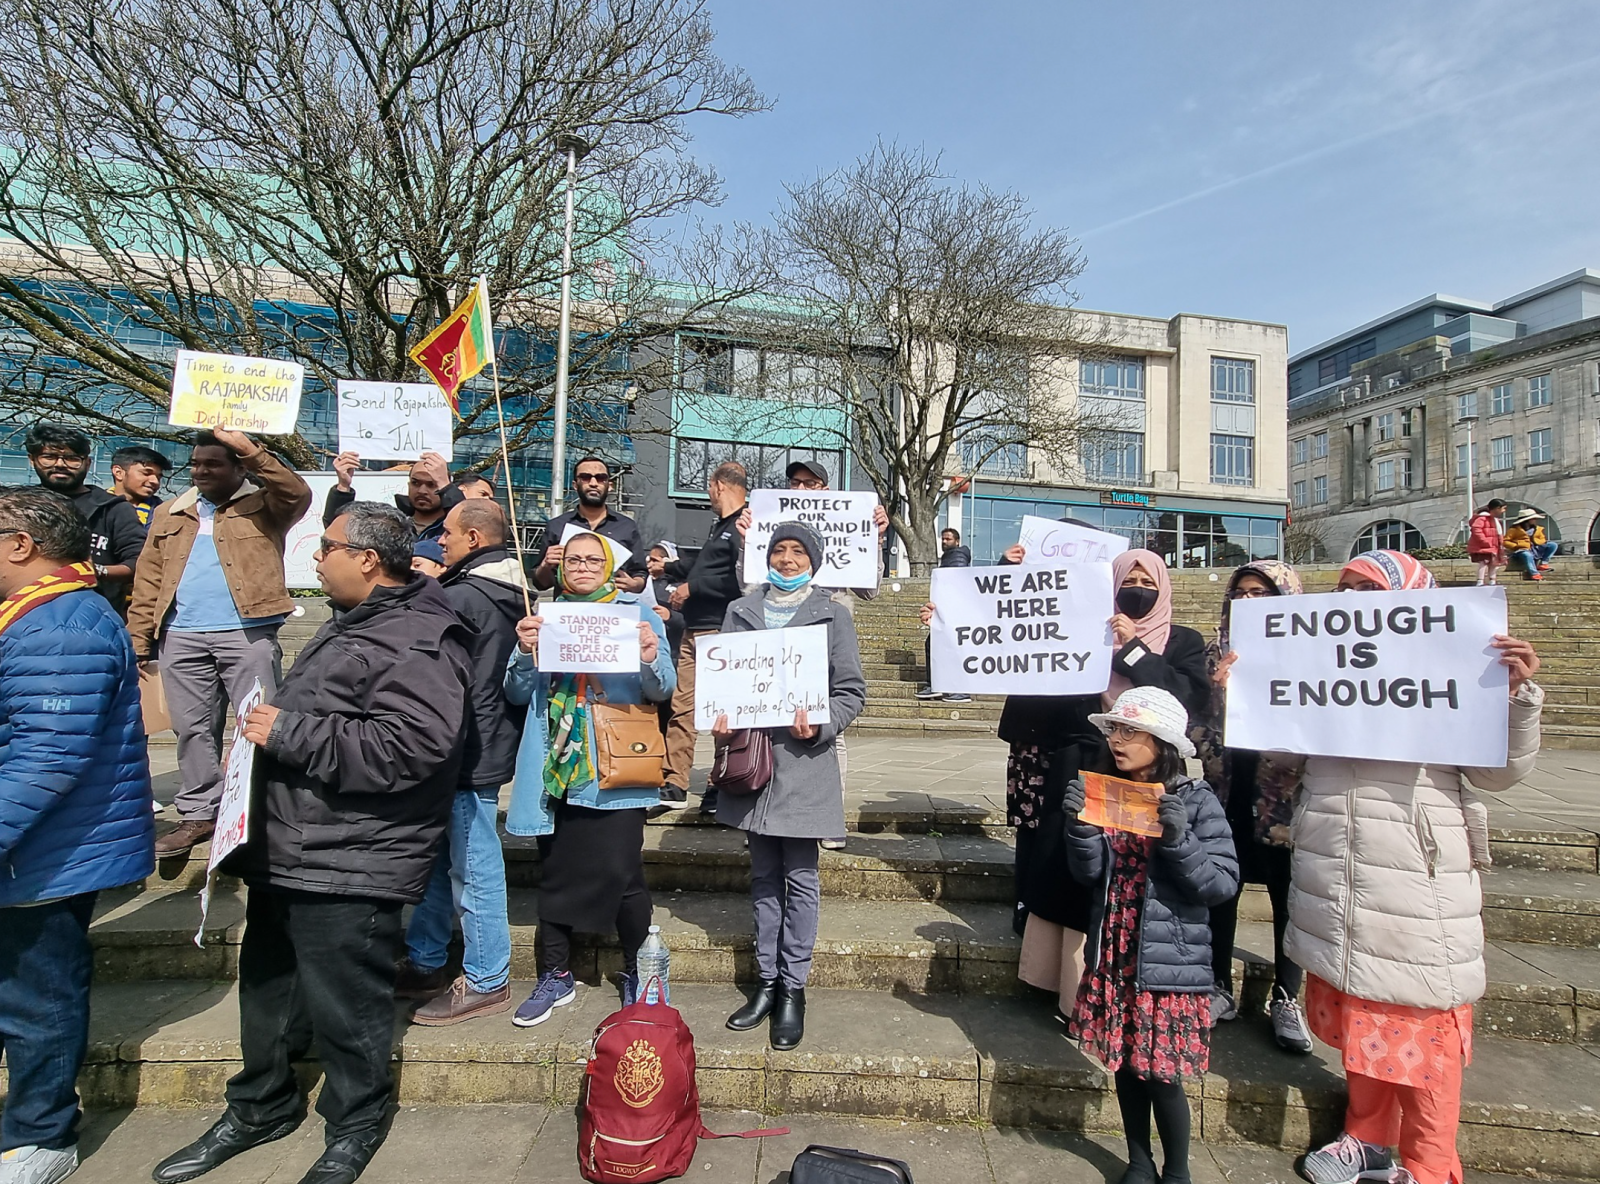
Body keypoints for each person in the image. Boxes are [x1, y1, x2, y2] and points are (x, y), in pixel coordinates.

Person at [151, 504, 472, 1184]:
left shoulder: (421, 638)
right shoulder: (356, 620)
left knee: (347, 1008)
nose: (315, 560)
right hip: (289, 846)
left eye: (325, 547)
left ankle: (356, 1122)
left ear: (366, 559)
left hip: (353, 860)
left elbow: (411, 748)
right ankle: (260, 1107)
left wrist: (287, 733)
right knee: (267, 996)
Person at [1288, 550, 1543, 1184]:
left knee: (1420, 1025)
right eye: (1344, 589)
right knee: (1362, 1010)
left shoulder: (1449, 669)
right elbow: (1281, 746)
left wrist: (1515, 699)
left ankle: (1431, 1166)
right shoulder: (1318, 664)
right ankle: (1365, 1136)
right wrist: (1249, 689)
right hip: (1337, 864)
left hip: (1415, 877)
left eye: (1367, 591)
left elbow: (1499, 771)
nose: (1351, 603)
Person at [924, 547, 1209, 1009]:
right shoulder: (1084, 626)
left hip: (1147, 773)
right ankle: (1057, 980)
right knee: (1068, 859)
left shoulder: (1184, 640)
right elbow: (1016, 641)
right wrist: (951, 619)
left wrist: (1132, 649)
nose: (1138, 590)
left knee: (1129, 867)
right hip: (1080, 755)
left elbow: (1185, 694)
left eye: (1149, 582)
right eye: (1129, 581)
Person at [0, 488, 154, 1184]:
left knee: (39, 999)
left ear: (21, 545)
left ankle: (43, 1136)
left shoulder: (64, 625)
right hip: (27, 847)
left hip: (45, 852)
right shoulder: (35, 615)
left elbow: (48, 755)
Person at [1062, 686, 1239, 1184]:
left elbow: (1222, 883)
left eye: (1130, 731)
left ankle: (1177, 1171)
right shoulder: (1106, 792)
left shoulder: (1196, 800)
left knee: (1161, 1075)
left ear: (1161, 742)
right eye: (1114, 729)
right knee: (1122, 1067)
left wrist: (1180, 840)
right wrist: (1079, 828)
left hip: (1170, 961)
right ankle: (1139, 1162)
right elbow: (1089, 872)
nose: (1117, 740)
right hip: (1116, 951)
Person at [501, 531, 674, 1026]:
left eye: (591, 559)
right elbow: (515, 694)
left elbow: (664, 686)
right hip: (555, 767)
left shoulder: (636, 615)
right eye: (572, 559)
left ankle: (641, 971)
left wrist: (645, 654)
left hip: (615, 762)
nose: (580, 566)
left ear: (608, 566)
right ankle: (555, 974)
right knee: (554, 871)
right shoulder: (544, 617)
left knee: (624, 875)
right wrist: (522, 651)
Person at [714, 522, 867, 1050]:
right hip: (753, 765)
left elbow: (851, 692)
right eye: (778, 549)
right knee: (762, 878)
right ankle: (765, 981)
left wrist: (820, 724)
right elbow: (725, 681)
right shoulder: (740, 611)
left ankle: (793, 988)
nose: (785, 558)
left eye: (797, 551)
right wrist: (722, 716)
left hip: (805, 764)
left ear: (814, 560)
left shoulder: (834, 615)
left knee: (800, 879)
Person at [128, 429, 312, 859]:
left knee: (259, 724)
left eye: (212, 463)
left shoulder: (264, 504)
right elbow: (148, 580)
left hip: (247, 632)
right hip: (181, 635)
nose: (201, 471)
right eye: (195, 463)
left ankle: (258, 810)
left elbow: (295, 491)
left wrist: (252, 449)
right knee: (191, 728)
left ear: (238, 467)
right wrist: (140, 641)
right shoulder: (172, 512)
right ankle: (199, 812)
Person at [397, 501, 528, 1024]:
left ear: (474, 538)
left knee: (472, 862)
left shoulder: (460, 597)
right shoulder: (510, 591)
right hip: (479, 741)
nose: (440, 541)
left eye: (447, 533)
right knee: (440, 855)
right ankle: (427, 957)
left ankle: (487, 977)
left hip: (464, 746)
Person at [1190, 560, 1312, 1050]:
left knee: (1290, 902)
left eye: (1261, 593)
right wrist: (1221, 699)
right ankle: (1218, 985)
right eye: (1241, 593)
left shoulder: (1311, 654)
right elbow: (1197, 726)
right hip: (1228, 793)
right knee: (1222, 892)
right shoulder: (1214, 652)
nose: (1249, 601)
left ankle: (1286, 997)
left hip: (1284, 803)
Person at [649, 461, 749, 810]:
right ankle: (674, 781)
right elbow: (706, 564)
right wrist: (671, 569)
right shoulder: (720, 528)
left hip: (721, 627)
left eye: (708, 488)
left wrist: (691, 587)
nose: (708, 494)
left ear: (718, 485)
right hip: (695, 628)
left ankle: (718, 783)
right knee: (682, 707)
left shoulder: (743, 526)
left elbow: (740, 579)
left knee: (721, 711)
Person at [25, 424, 146, 610]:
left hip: (93, 614)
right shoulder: (16, 504)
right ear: (32, 460)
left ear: (87, 463)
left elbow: (140, 563)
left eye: (71, 458)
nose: (60, 464)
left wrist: (96, 571)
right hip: (20, 614)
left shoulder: (113, 508)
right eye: (49, 457)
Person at [531, 456, 646, 593]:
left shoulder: (627, 526)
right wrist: (545, 565)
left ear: (609, 485)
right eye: (585, 477)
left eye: (600, 478)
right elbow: (541, 584)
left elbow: (640, 573)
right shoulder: (557, 526)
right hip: (569, 610)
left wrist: (635, 585)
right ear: (575, 485)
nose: (593, 483)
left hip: (614, 609)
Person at [323, 450, 461, 542]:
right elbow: (338, 530)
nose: (422, 490)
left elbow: (466, 522)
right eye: (415, 483)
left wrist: (444, 484)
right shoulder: (390, 522)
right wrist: (343, 486)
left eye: (432, 484)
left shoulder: (451, 529)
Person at [109, 444, 172, 527]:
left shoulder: (166, 514)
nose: (155, 481)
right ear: (118, 472)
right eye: (146, 473)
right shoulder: (92, 507)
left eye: (158, 477)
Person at [1504, 509, 1556, 581]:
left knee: (1553, 545)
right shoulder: (1514, 530)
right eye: (1533, 519)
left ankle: (1544, 563)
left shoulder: (1538, 529)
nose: (1535, 520)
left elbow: (1542, 538)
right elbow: (1505, 541)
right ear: (1527, 520)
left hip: (1536, 548)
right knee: (1527, 555)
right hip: (1521, 550)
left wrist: (1540, 543)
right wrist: (1517, 545)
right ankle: (1534, 574)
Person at [1466, 500, 1506, 587]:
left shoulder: (1494, 520)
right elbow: (1476, 530)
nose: (1504, 511)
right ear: (1497, 508)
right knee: (1483, 563)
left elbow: (1498, 533)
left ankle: (1492, 581)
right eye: (1503, 508)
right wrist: (1485, 541)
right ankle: (1480, 581)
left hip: (1493, 546)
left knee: (1493, 564)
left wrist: (1501, 543)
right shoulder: (1482, 518)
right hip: (1485, 546)